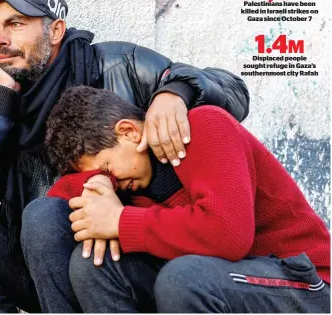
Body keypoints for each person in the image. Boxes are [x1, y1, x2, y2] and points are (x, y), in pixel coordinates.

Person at [0, 0, 250, 313]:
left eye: (15, 24)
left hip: (109, 259)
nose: (0, 39)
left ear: (55, 31)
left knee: (43, 215)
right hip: (28, 254)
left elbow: (233, 90)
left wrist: (176, 92)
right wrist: (0, 99)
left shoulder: (118, 66)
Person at [44, 86, 330, 313]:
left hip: (305, 283)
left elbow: (228, 235)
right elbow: (52, 202)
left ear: (129, 132)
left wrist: (120, 221)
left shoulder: (204, 125)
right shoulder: (130, 175)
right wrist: (99, 182)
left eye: (107, 170)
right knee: (92, 265)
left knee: (183, 278)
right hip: (224, 280)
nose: (113, 182)